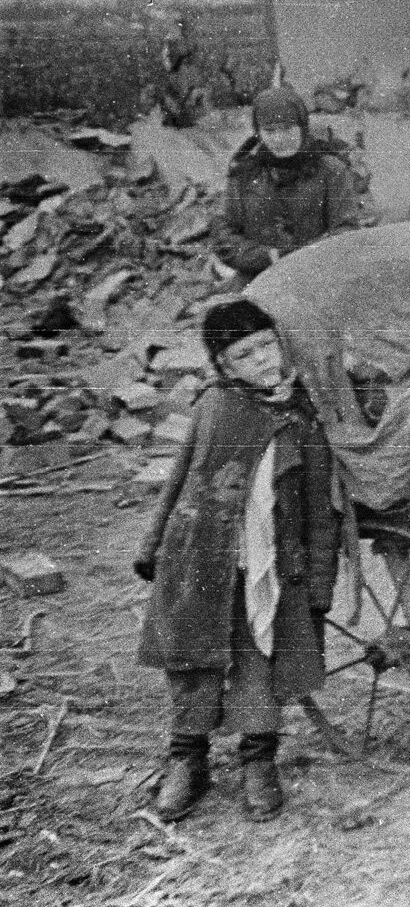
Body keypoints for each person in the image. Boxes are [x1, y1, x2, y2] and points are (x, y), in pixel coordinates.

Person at [132, 299, 340, 822]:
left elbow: (320, 511)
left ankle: (257, 761)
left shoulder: (303, 418)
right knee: (193, 657)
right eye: (246, 354)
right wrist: (151, 546)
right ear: (225, 366)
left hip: (269, 566)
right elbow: (180, 478)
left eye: (268, 344)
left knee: (259, 660)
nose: (264, 359)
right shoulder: (215, 408)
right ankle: (188, 760)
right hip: (200, 557)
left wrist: (318, 586)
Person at [211, 85, 362, 280]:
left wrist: (299, 256)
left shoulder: (330, 170)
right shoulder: (244, 174)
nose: (279, 139)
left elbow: (346, 231)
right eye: (270, 131)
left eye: (287, 129)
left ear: (302, 126)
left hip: (318, 276)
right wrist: (267, 257)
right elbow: (224, 235)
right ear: (259, 132)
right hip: (258, 279)